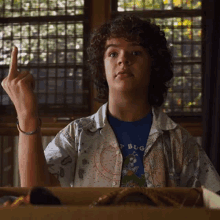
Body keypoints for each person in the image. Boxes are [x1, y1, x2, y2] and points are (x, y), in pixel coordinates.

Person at [1, 15, 220, 193]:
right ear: (101, 67)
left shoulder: (178, 141)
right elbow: (36, 192)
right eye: (113, 53)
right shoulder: (77, 135)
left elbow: (214, 200)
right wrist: (26, 114)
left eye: (136, 52)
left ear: (154, 65)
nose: (123, 59)